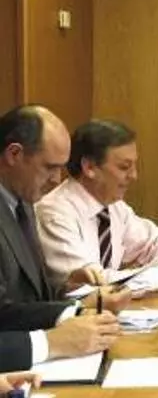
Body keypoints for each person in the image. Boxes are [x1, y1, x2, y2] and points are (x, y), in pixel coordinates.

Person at [0, 105, 126, 372]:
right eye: (50, 167)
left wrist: (70, 295)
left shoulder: (22, 203)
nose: (57, 180)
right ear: (14, 154)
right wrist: (51, 342)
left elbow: (26, 299)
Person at [36, 119, 158, 287]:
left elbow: (151, 243)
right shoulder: (54, 214)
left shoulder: (114, 207)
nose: (134, 176)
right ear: (90, 168)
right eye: (124, 167)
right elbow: (91, 284)